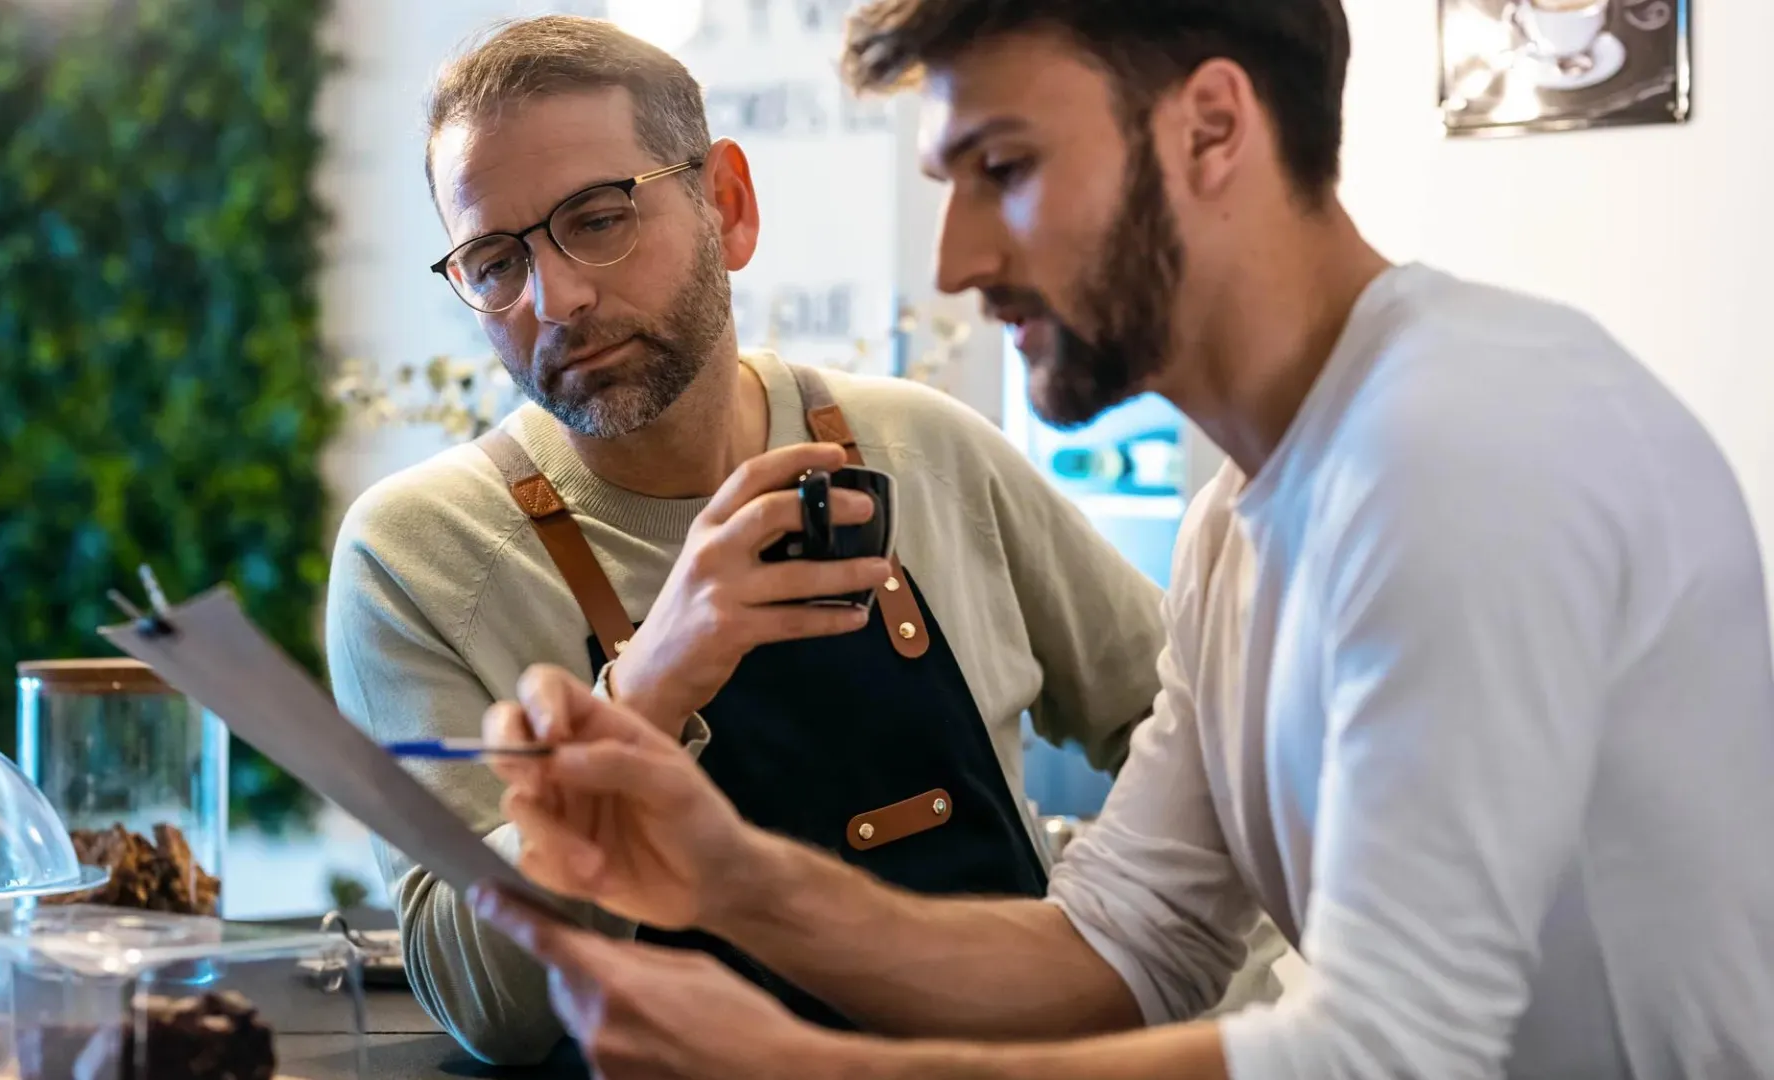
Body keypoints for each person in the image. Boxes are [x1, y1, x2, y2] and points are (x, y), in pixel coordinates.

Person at [468, 1, 1774, 1078]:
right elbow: (1127, 944)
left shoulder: (1457, 441)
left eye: (1008, 170)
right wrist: (729, 876)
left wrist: (810, 1067)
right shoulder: (1240, 519)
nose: (961, 258)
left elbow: (1398, 1047)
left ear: (1212, 128)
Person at [325, 15, 1284, 1066]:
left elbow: (1210, 749)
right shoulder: (415, 556)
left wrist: (1200, 1013)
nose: (557, 299)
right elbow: (484, 1009)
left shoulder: (923, 449)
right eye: (494, 261)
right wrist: (645, 692)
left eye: (598, 220)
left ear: (726, 206)